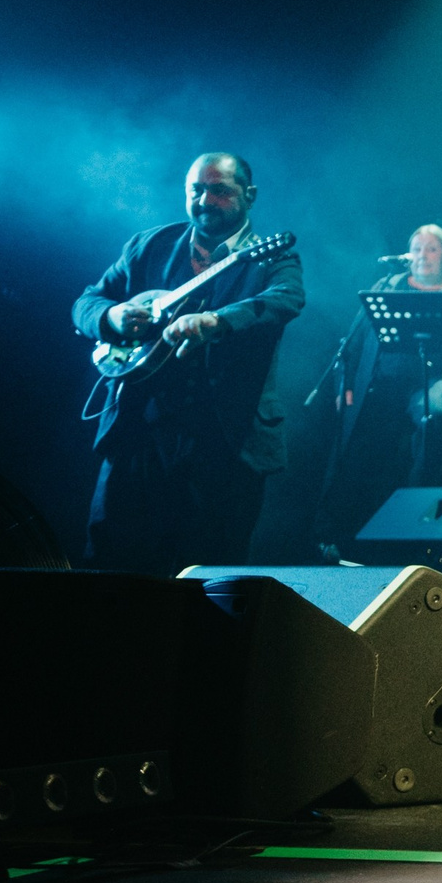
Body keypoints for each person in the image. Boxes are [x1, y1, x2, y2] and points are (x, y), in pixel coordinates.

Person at [74, 152, 306, 575]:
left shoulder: (273, 257)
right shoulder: (150, 245)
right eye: (195, 190)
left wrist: (217, 321)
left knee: (208, 578)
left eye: (219, 190)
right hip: (137, 434)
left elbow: (284, 300)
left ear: (250, 195)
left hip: (224, 443)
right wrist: (111, 316)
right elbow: (89, 301)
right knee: (109, 568)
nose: (204, 200)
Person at [309, 224, 442, 553]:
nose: (422, 255)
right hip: (383, 388)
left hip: (437, 390)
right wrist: (346, 385)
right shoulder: (389, 285)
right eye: (416, 248)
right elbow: (355, 340)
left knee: (426, 455)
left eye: (431, 249)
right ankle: (349, 539)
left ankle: (420, 539)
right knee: (367, 459)